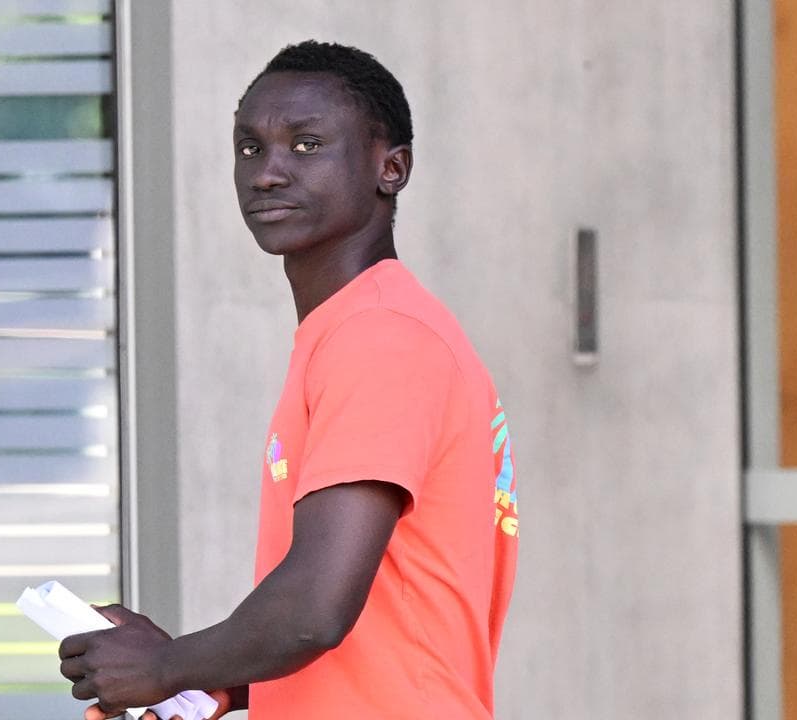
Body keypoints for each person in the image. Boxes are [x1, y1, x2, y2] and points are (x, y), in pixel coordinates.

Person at [59, 40, 519, 719]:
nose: (268, 172)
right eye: (250, 148)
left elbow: (314, 610)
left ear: (390, 168)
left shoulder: (381, 337)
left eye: (306, 146)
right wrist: (208, 678)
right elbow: (371, 622)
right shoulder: (353, 330)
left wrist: (163, 666)